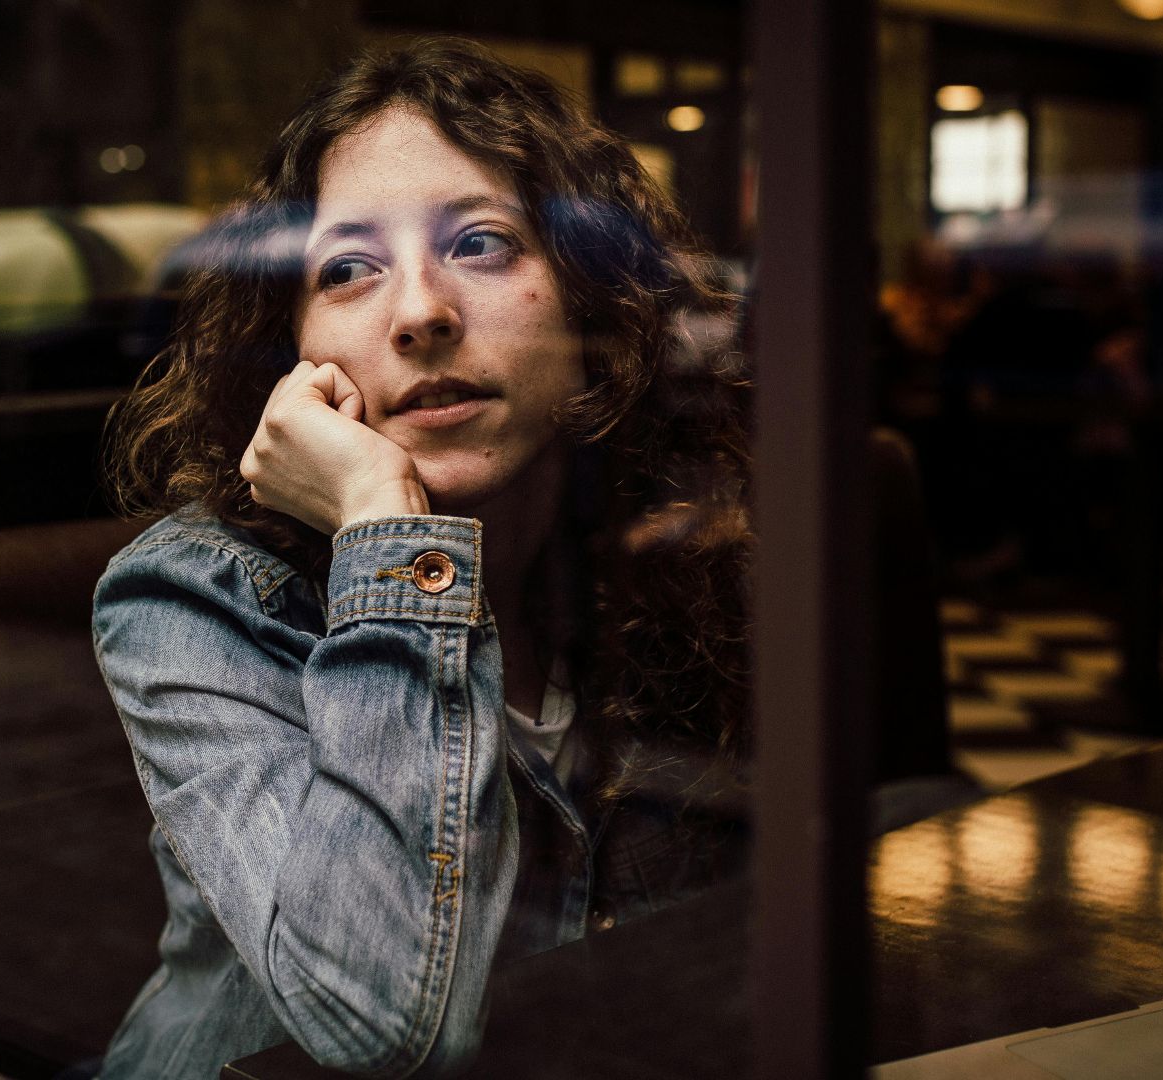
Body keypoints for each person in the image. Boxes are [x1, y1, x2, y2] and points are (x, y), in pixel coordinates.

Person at [92, 38, 751, 1078]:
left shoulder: (655, 554)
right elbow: (380, 1024)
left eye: (482, 244)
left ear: (594, 305)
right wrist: (381, 527)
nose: (420, 313)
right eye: (347, 270)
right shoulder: (191, 595)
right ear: (294, 347)